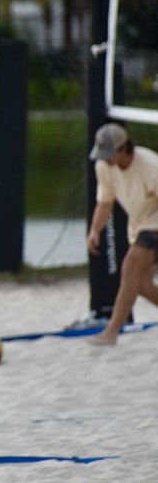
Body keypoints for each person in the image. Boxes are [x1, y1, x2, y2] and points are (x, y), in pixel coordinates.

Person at [86, 122, 158, 346]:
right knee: (142, 284)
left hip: (154, 223)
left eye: (109, 153)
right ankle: (111, 332)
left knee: (129, 266)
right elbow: (105, 202)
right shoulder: (104, 166)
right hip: (138, 225)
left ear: (124, 148)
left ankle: (111, 332)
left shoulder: (150, 165)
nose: (104, 158)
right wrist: (95, 230)